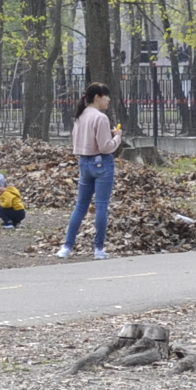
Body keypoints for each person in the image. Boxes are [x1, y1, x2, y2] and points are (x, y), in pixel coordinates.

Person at [58, 83, 122, 259]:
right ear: (97, 97)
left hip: (84, 162)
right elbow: (105, 147)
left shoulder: (80, 115)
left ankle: (67, 247)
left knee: (80, 206)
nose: (108, 99)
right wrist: (117, 138)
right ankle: (99, 249)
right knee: (101, 206)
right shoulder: (100, 117)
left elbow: (80, 141)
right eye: (106, 96)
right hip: (102, 164)